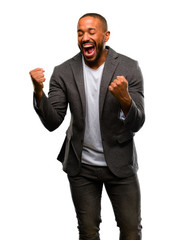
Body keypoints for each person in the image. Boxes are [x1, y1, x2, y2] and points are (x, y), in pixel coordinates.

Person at [29, 13, 145, 240]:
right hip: (81, 166)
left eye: (91, 32)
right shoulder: (63, 72)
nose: (84, 37)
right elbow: (53, 122)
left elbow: (138, 122)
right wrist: (38, 92)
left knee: (131, 230)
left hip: (120, 164)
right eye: (80, 32)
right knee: (88, 232)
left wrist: (125, 99)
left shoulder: (129, 67)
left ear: (106, 35)